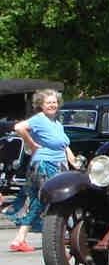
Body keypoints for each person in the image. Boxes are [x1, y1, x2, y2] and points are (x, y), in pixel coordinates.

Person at [5, 89, 78, 252]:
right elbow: (19, 128)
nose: (52, 105)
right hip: (44, 164)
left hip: (58, 164)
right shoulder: (39, 119)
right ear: (41, 105)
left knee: (39, 200)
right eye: (48, 103)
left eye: (54, 102)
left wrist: (73, 160)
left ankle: (20, 238)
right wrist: (31, 144)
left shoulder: (57, 124)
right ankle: (65, 234)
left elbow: (63, 145)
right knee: (55, 198)